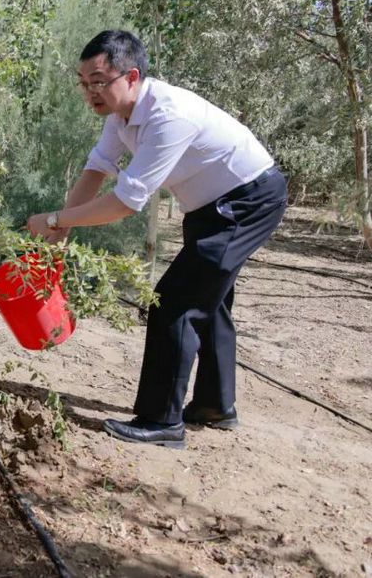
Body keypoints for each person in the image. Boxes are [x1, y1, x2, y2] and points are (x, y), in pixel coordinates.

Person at [27, 30, 287, 449]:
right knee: (209, 299)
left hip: (247, 200)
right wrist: (61, 232)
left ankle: (161, 420)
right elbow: (96, 170)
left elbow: (126, 202)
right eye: (83, 83)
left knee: (175, 303)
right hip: (210, 207)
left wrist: (55, 218)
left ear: (131, 76)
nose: (90, 92)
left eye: (99, 81)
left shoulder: (169, 115)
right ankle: (215, 405)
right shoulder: (120, 116)